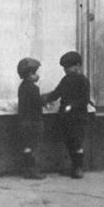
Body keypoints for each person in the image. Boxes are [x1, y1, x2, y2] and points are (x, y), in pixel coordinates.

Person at [42, 50, 92, 178]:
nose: (66, 70)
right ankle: (74, 166)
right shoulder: (65, 80)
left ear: (78, 65)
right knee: (69, 142)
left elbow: (84, 100)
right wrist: (45, 98)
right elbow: (57, 92)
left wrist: (71, 106)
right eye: (64, 68)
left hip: (78, 117)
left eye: (68, 67)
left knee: (77, 143)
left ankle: (79, 168)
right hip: (65, 117)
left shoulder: (83, 81)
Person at [16, 57, 45, 180]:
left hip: (24, 121)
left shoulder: (22, 87)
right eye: (34, 73)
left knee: (27, 146)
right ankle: (34, 171)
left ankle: (27, 170)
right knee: (34, 147)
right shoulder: (34, 88)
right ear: (29, 74)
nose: (37, 76)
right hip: (34, 121)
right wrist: (45, 100)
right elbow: (37, 103)